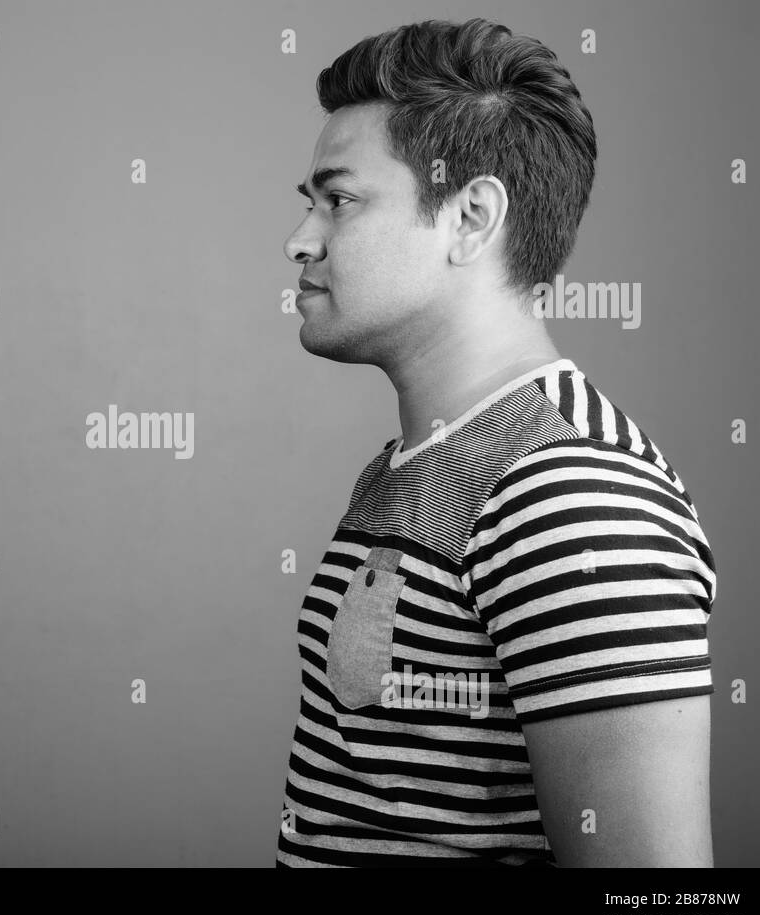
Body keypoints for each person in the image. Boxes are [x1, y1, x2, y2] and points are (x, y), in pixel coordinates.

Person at [277, 17, 716, 866]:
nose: (300, 239)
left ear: (470, 216)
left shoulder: (573, 496)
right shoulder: (418, 464)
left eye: (338, 199)